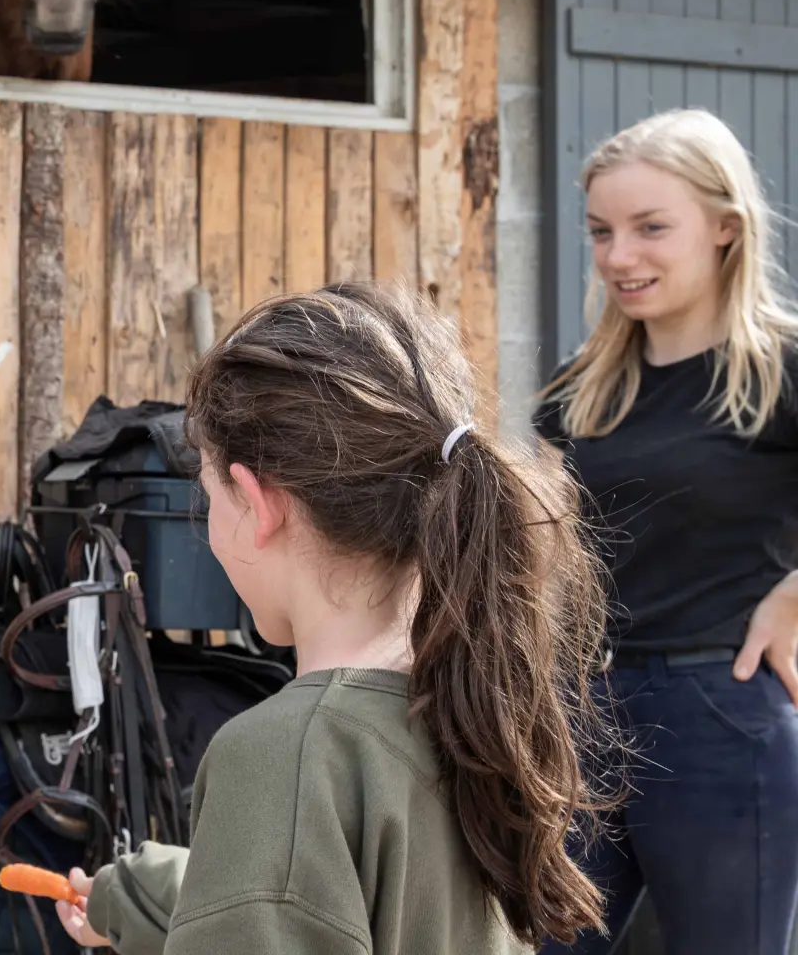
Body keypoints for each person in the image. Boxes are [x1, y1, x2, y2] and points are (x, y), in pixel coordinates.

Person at [53, 281, 620, 953]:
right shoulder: (470, 714)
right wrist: (139, 899)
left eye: (209, 500)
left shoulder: (286, 756)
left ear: (260, 506)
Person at [530, 107, 798, 955]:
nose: (618, 257)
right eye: (602, 232)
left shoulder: (781, 372)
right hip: (586, 715)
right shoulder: (583, 392)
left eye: (650, 228)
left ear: (725, 228)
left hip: (723, 714)